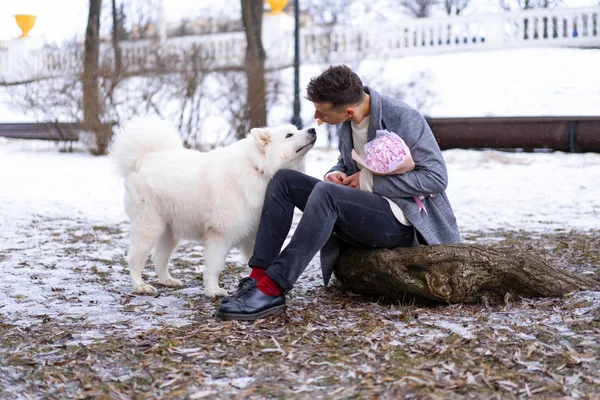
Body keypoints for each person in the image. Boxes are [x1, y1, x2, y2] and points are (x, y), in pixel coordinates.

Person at [217, 65, 460, 321]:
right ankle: (258, 278)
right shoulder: (348, 120)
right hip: (362, 211)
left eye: (321, 113)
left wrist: (368, 182)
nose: (316, 117)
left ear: (348, 110)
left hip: (402, 221)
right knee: (284, 180)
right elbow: (347, 163)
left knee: (327, 195)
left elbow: (435, 178)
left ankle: (273, 289)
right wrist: (335, 173)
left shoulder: (403, 117)